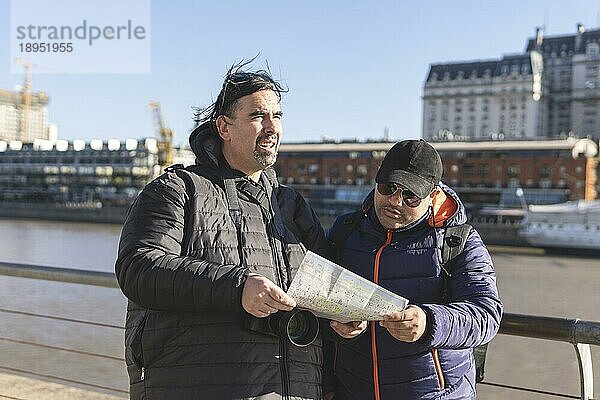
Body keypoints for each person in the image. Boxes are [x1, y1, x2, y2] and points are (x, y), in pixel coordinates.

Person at [115, 61, 334, 399]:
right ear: (224, 128)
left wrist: (342, 320)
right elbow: (137, 268)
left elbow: (327, 285)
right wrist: (237, 288)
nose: (272, 127)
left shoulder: (291, 206)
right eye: (258, 116)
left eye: (277, 116)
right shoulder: (177, 189)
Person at [326, 139, 503, 400]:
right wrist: (334, 323)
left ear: (432, 196)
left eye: (410, 195)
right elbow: (313, 298)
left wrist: (429, 323)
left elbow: (487, 315)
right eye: (388, 188)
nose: (395, 201)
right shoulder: (344, 232)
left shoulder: (458, 241)